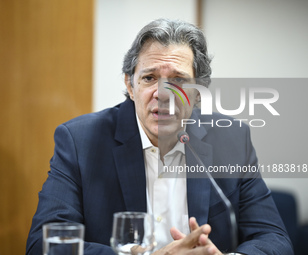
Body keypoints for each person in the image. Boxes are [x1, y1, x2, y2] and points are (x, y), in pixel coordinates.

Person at [26, 19, 293, 255]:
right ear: (130, 86)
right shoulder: (79, 141)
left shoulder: (231, 140)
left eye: (178, 80)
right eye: (150, 77)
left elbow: (274, 239)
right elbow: (45, 243)